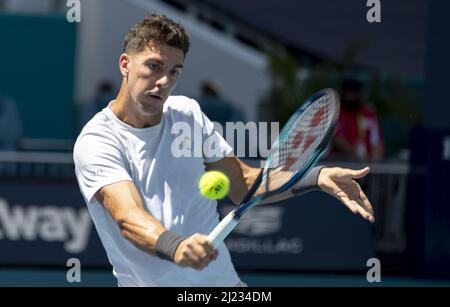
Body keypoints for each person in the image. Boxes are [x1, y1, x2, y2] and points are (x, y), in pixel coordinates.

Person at [73, 14, 375, 287]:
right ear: (125, 64)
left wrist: (315, 177)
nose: (164, 81)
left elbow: (243, 184)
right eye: (154, 66)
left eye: (174, 72)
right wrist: (175, 246)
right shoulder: (98, 141)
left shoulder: (187, 115)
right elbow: (127, 215)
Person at [331, 78, 384, 161]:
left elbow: (377, 142)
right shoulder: (336, 113)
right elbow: (337, 139)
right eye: (349, 92)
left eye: (354, 92)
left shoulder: (368, 113)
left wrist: (375, 163)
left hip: (365, 163)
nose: (351, 96)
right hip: (341, 162)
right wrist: (355, 154)